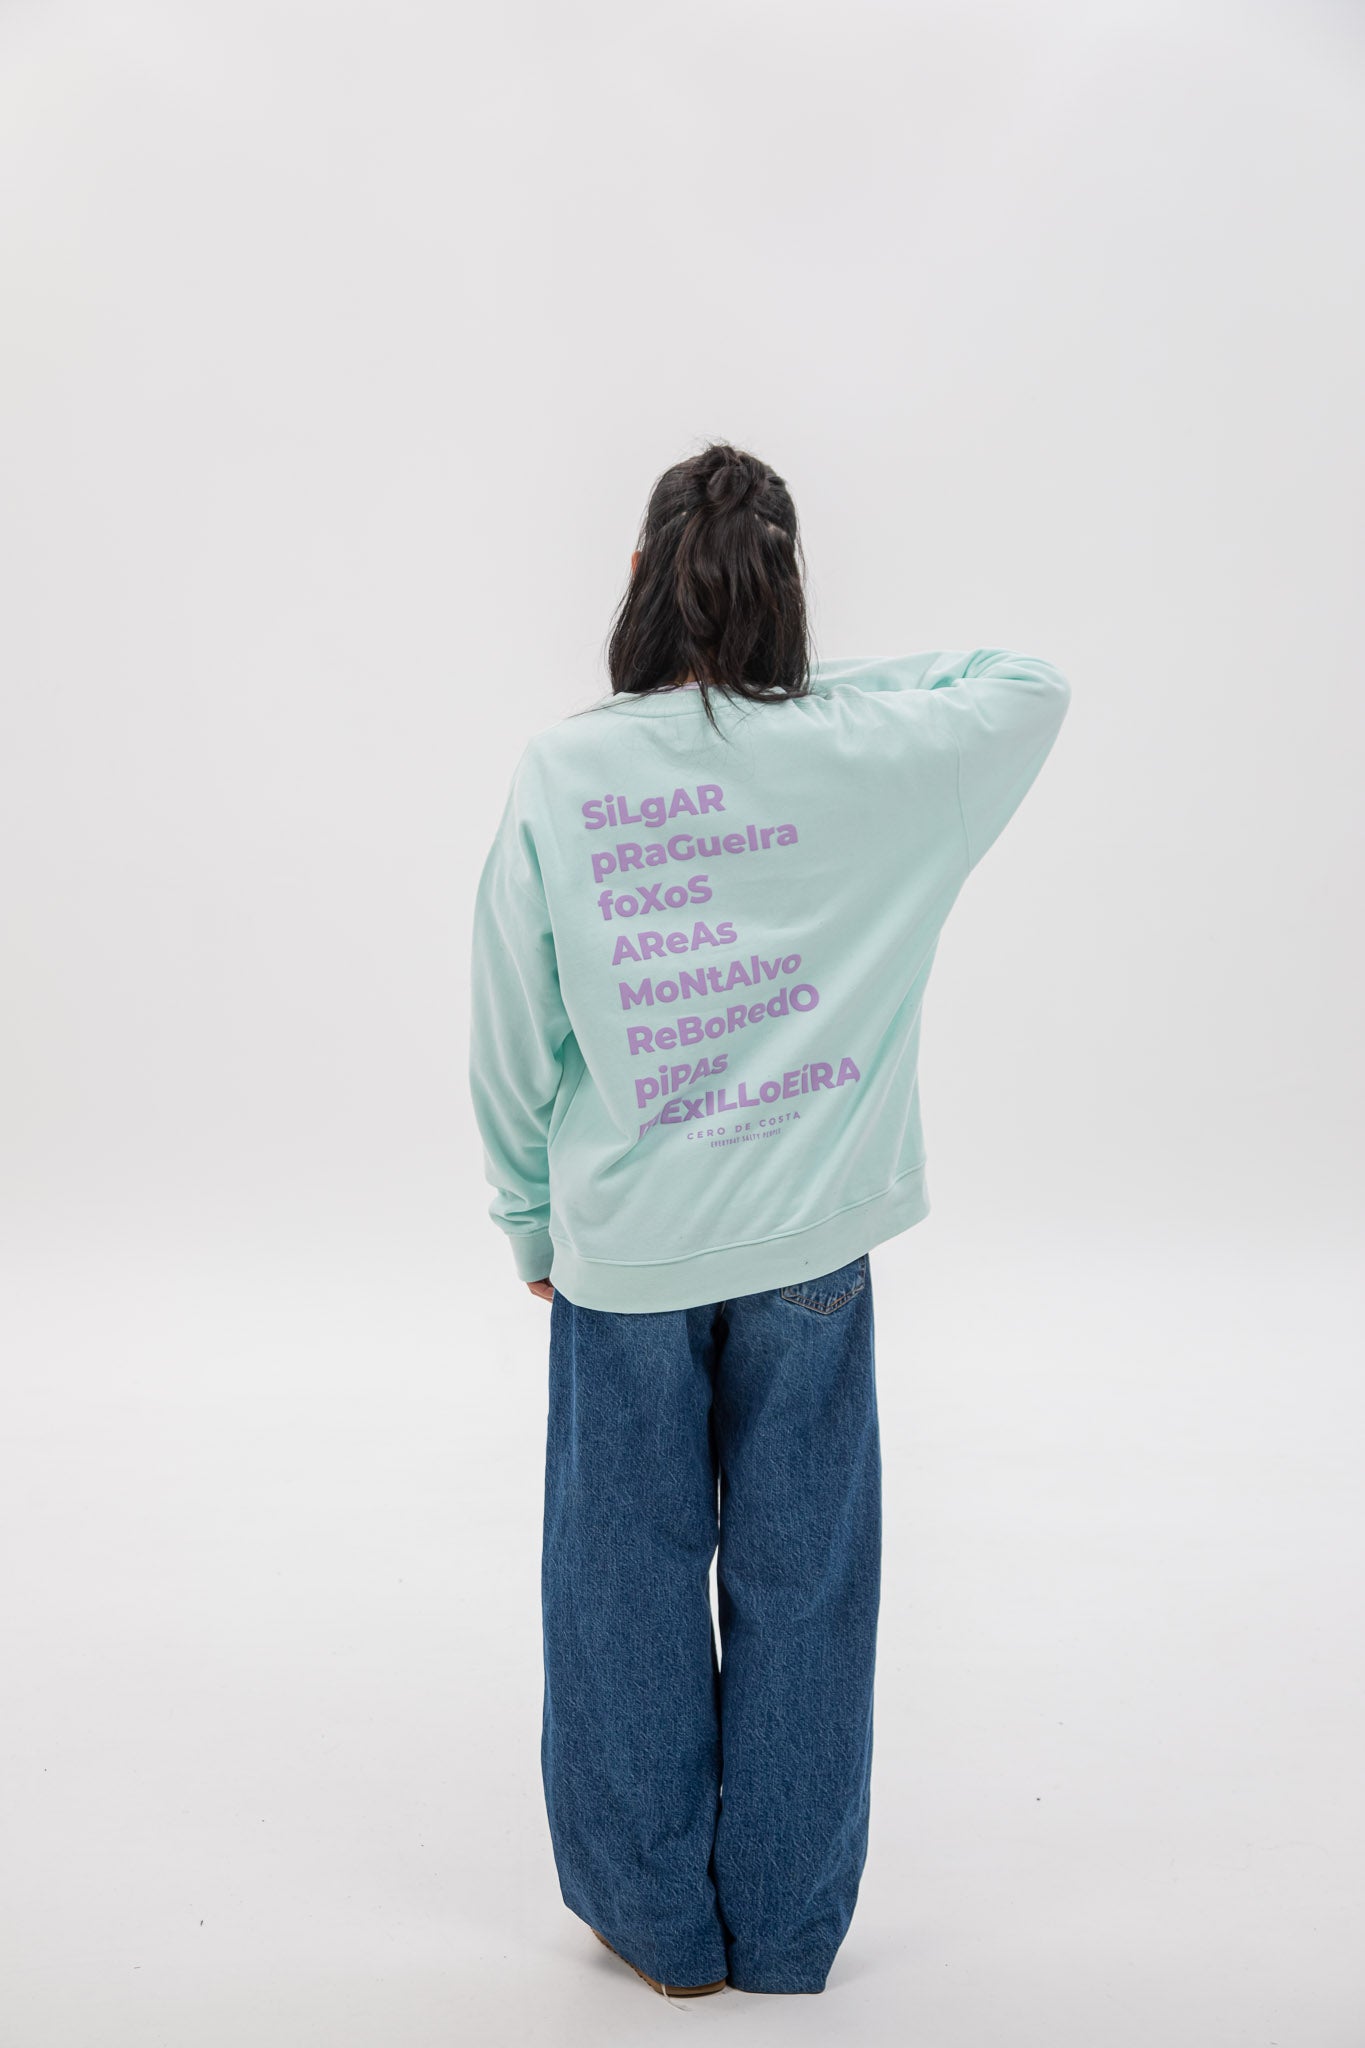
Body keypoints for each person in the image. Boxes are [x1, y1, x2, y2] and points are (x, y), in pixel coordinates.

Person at [467, 441, 1072, 2000]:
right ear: (782, 590)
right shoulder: (875, 758)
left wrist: (529, 1220)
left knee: (621, 1581)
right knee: (806, 1581)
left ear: (637, 581)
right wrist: (778, 691)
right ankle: (788, 1932)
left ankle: (659, 1928)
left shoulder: (565, 771)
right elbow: (1022, 685)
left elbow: (511, 1029)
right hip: (809, 1249)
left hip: (628, 1254)